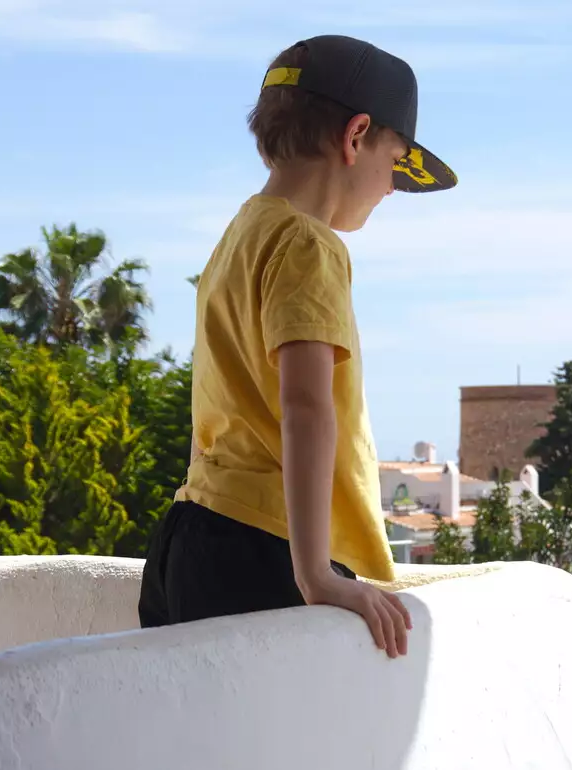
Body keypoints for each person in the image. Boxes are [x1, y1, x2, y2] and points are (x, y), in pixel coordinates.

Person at [138, 34, 457, 657]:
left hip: (191, 533)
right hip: (265, 549)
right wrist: (316, 574)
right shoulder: (309, 247)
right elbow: (306, 408)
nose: (392, 188)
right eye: (395, 163)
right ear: (356, 135)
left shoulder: (239, 235)